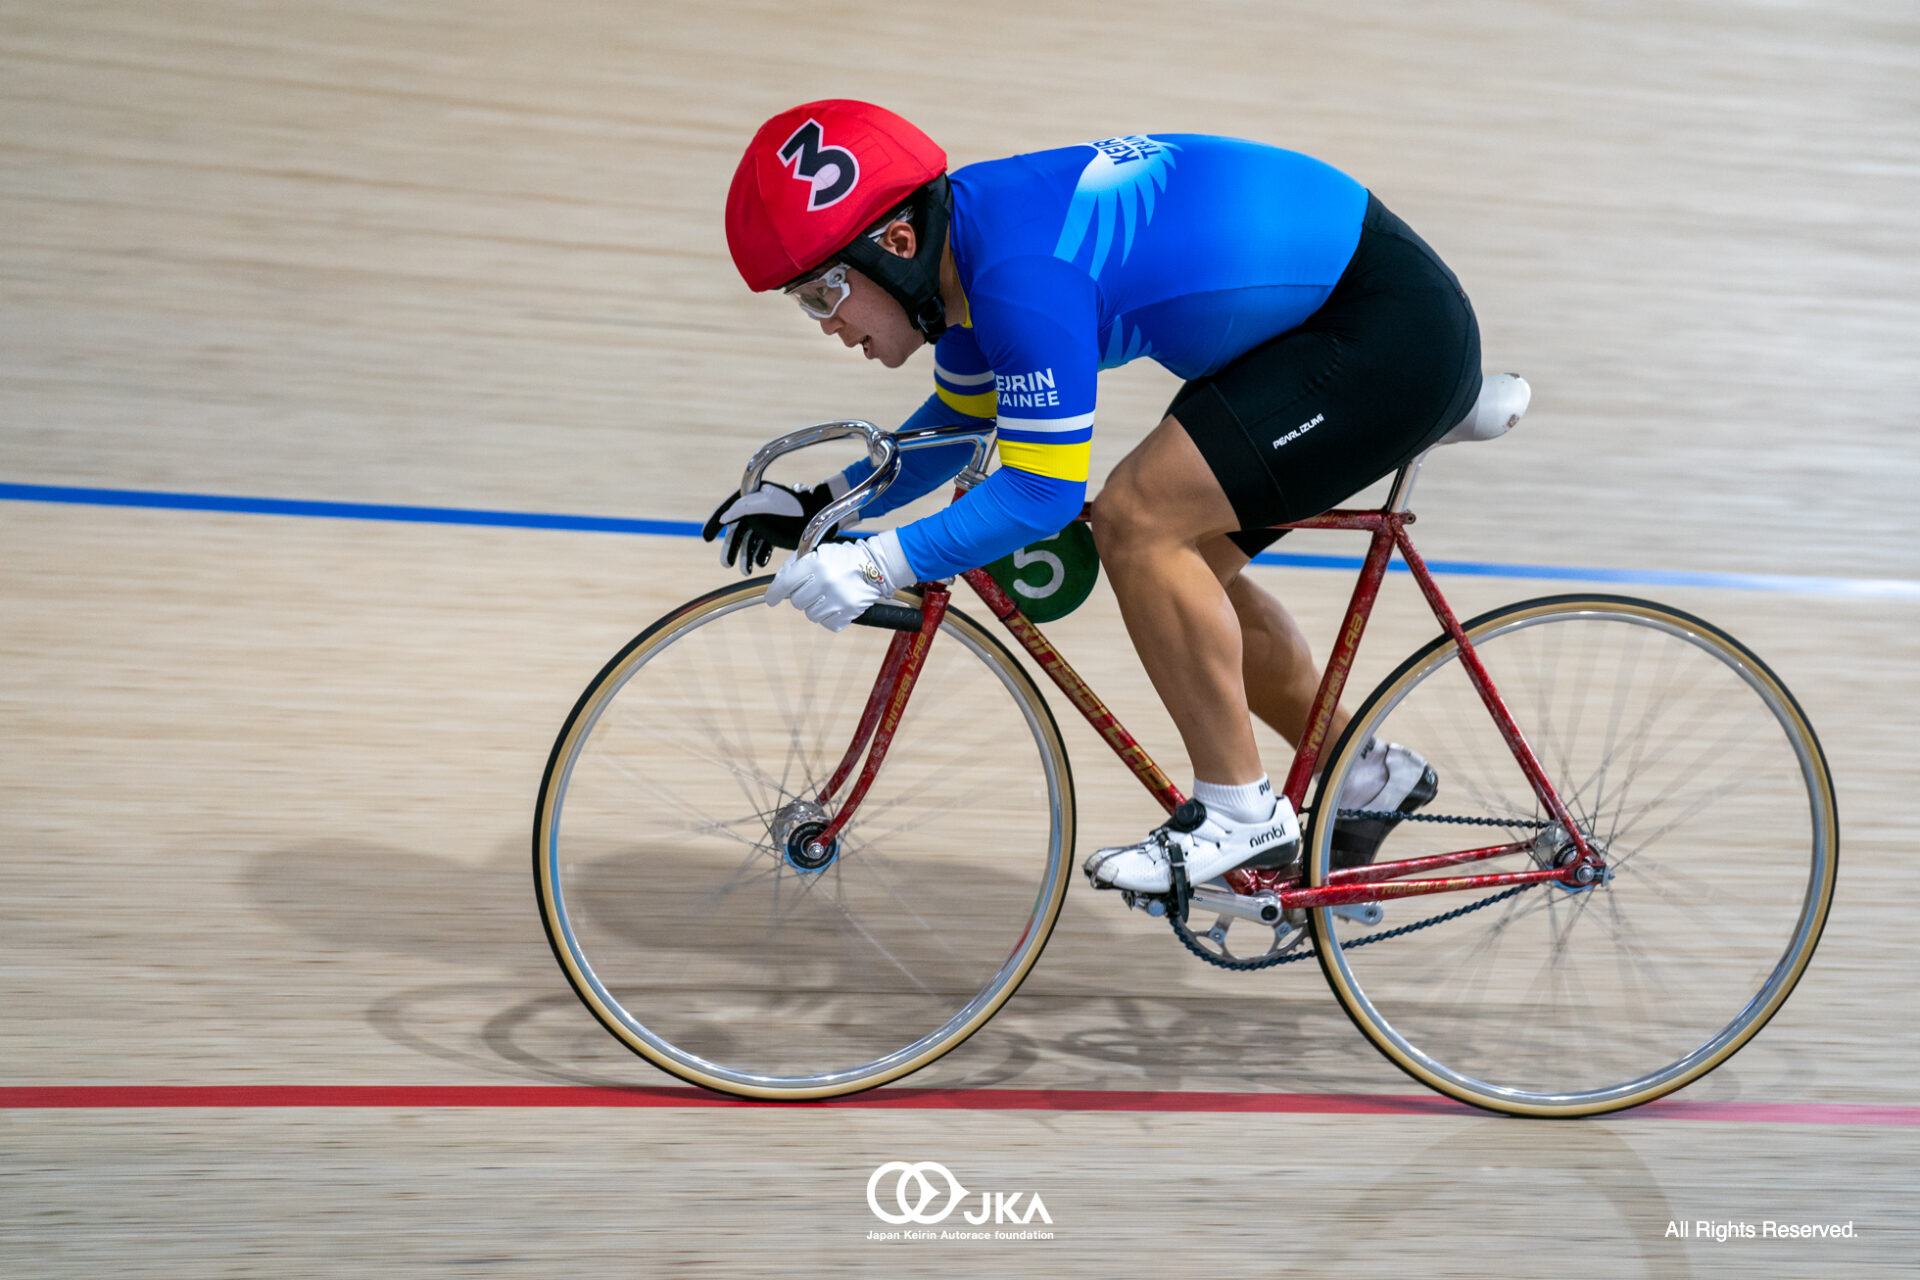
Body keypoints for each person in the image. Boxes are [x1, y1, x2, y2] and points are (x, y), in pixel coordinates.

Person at [708, 99, 1472, 901]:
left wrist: (875, 564)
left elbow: (1040, 494)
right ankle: (1368, 777)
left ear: (896, 244)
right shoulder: (961, 263)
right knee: (1185, 574)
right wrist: (823, 504)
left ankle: (1240, 813)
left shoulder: (1016, 277)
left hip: (1384, 332)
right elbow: (960, 425)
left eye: (825, 295)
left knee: (1137, 521)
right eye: (806, 304)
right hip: (1334, 322)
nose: (826, 325)